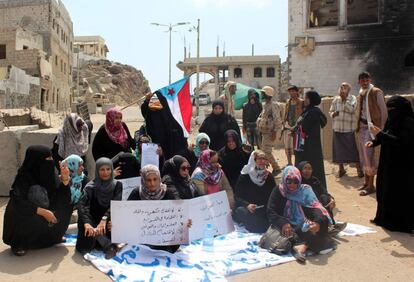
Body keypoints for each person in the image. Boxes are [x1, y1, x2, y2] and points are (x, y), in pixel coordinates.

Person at [3, 145, 73, 256]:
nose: (50, 162)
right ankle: (20, 243)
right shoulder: (23, 178)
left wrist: (64, 181)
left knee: (66, 205)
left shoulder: (51, 173)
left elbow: (62, 198)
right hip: (31, 215)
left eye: (51, 158)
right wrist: (43, 212)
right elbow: (18, 202)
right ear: (35, 161)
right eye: (47, 160)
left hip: (48, 213)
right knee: (26, 202)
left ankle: (53, 237)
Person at [367, 96, 414, 233]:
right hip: (388, 162)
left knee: (399, 192)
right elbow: (387, 134)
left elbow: (400, 141)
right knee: (385, 188)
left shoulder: (409, 123)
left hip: (402, 165)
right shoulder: (392, 120)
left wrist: (380, 134)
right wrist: (375, 141)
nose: (390, 111)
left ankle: (400, 224)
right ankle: (384, 218)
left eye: (392, 108)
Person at [267, 166, 334, 260]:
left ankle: (302, 246)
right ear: (284, 180)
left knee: (318, 224)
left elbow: (316, 207)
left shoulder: (305, 190)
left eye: (296, 181)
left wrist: (317, 223)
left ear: (300, 180)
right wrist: (283, 223)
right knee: (317, 240)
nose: (292, 184)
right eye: (289, 181)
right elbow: (271, 211)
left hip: (304, 221)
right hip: (287, 223)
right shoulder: (279, 191)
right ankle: (306, 245)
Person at [128, 165, 192, 253]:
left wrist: (185, 222)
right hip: (142, 242)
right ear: (143, 180)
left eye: (155, 179)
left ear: (159, 179)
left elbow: (178, 215)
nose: (152, 183)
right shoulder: (136, 193)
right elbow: (126, 215)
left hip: (165, 244)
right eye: (148, 180)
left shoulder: (168, 193)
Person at [76, 157, 123, 259]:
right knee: (86, 237)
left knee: (114, 221)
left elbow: (115, 204)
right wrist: (87, 223)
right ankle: (108, 245)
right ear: (97, 170)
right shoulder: (90, 187)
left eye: (108, 169)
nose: (105, 172)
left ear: (111, 170)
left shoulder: (118, 185)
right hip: (93, 218)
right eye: (102, 169)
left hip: (107, 218)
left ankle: (106, 243)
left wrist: (104, 219)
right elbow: (82, 206)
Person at [355, 72, 388, 196]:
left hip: (372, 128)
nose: (364, 82)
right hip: (362, 127)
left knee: (369, 156)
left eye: (366, 79)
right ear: (359, 81)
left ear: (370, 80)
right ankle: (366, 182)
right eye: (362, 80)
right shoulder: (360, 93)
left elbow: (384, 111)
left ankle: (371, 186)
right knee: (363, 156)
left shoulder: (376, 92)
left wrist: (382, 129)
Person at [297, 161, 347, 235]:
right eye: (305, 168)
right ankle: (327, 227)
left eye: (310, 168)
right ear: (300, 170)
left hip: (317, 203)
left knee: (325, 198)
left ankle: (331, 225)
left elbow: (324, 192)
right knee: (319, 208)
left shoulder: (314, 180)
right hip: (306, 206)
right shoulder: (297, 182)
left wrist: (331, 199)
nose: (307, 171)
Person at [233, 150, 275, 233]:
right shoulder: (245, 175)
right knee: (241, 212)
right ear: (253, 160)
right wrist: (247, 205)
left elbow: (274, 194)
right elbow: (237, 196)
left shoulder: (268, 176)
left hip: (263, 208)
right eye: (259, 158)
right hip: (249, 208)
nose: (262, 161)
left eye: (264, 159)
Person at [294, 91, 328, 188]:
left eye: (306, 98)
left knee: (310, 166)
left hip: (309, 146)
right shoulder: (309, 111)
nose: (304, 100)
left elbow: (304, 127)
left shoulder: (313, 112)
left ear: (311, 99)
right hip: (308, 144)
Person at [329, 83, 363, 178]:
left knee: (353, 149)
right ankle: (341, 169)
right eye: (341, 87)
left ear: (349, 89)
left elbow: (352, 110)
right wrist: (333, 114)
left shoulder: (352, 98)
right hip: (337, 128)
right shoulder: (336, 99)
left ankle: (359, 169)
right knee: (338, 150)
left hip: (349, 128)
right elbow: (330, 111)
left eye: (345, 87)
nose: (342, 89)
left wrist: (345, 99)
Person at [141, 92, 187, 159]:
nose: (155, 108)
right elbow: (145, 111)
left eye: (157, 103)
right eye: (152, 104)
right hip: (153, 151)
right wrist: (147, 101)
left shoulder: (172, 122)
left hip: (169, 153)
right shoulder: (150, 117)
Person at [257, 86, 283, 176]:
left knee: (266, 151)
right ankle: (266, 167)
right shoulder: (265, 104)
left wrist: (275, 132)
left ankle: (276, 168)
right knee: (264, 151)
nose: (262, 94)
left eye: (263, 93)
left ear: (267, 94)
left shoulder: (273, 105)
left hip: (270, 132)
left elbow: (277, 120)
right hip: (264, 132)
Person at [282, 86, 303, 166]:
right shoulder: (288, 102)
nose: (291, 93)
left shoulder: (301, 102)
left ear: (297, 92)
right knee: (287, 147)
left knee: (297, 147)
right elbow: (286, 114)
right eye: (290, 91)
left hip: (297, 127)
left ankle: (297, 163)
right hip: (288, 126)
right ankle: (289, 162)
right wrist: (284, 124)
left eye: (293, 91)